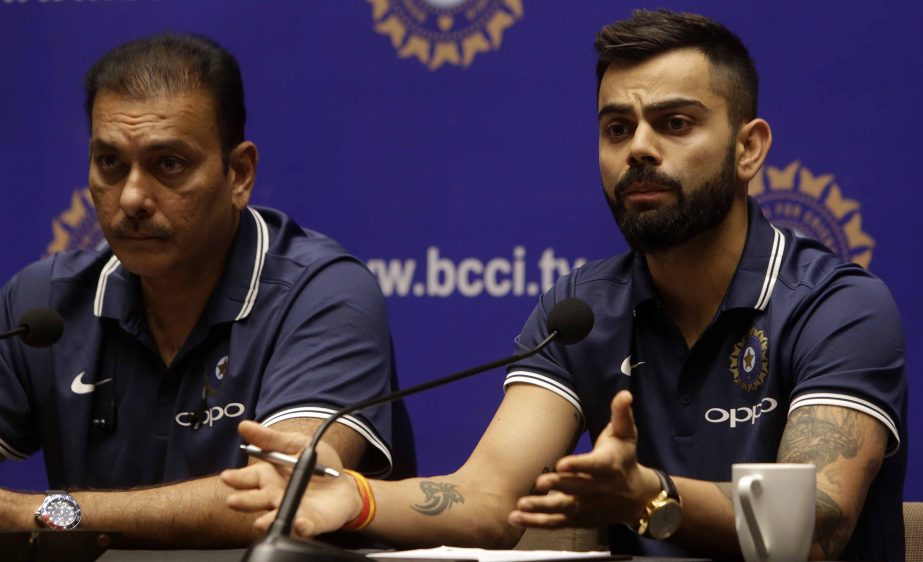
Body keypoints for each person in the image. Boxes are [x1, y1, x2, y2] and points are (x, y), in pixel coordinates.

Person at [221, 9, 907, 561]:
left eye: (674, 123)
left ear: (748, 147)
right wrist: (355, 497)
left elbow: (813, 530)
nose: (638, 147)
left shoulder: (834, 306)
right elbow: (488, 500)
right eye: (617, 127)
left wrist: (648, 495)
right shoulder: (583, 309)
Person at [0, 33, 414, 547]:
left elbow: (285, 497)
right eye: (110, 163)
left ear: (238, 174)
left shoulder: (322, 293)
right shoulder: (44, 302)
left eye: (168, 164)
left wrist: (41, 512)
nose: (131, 197)